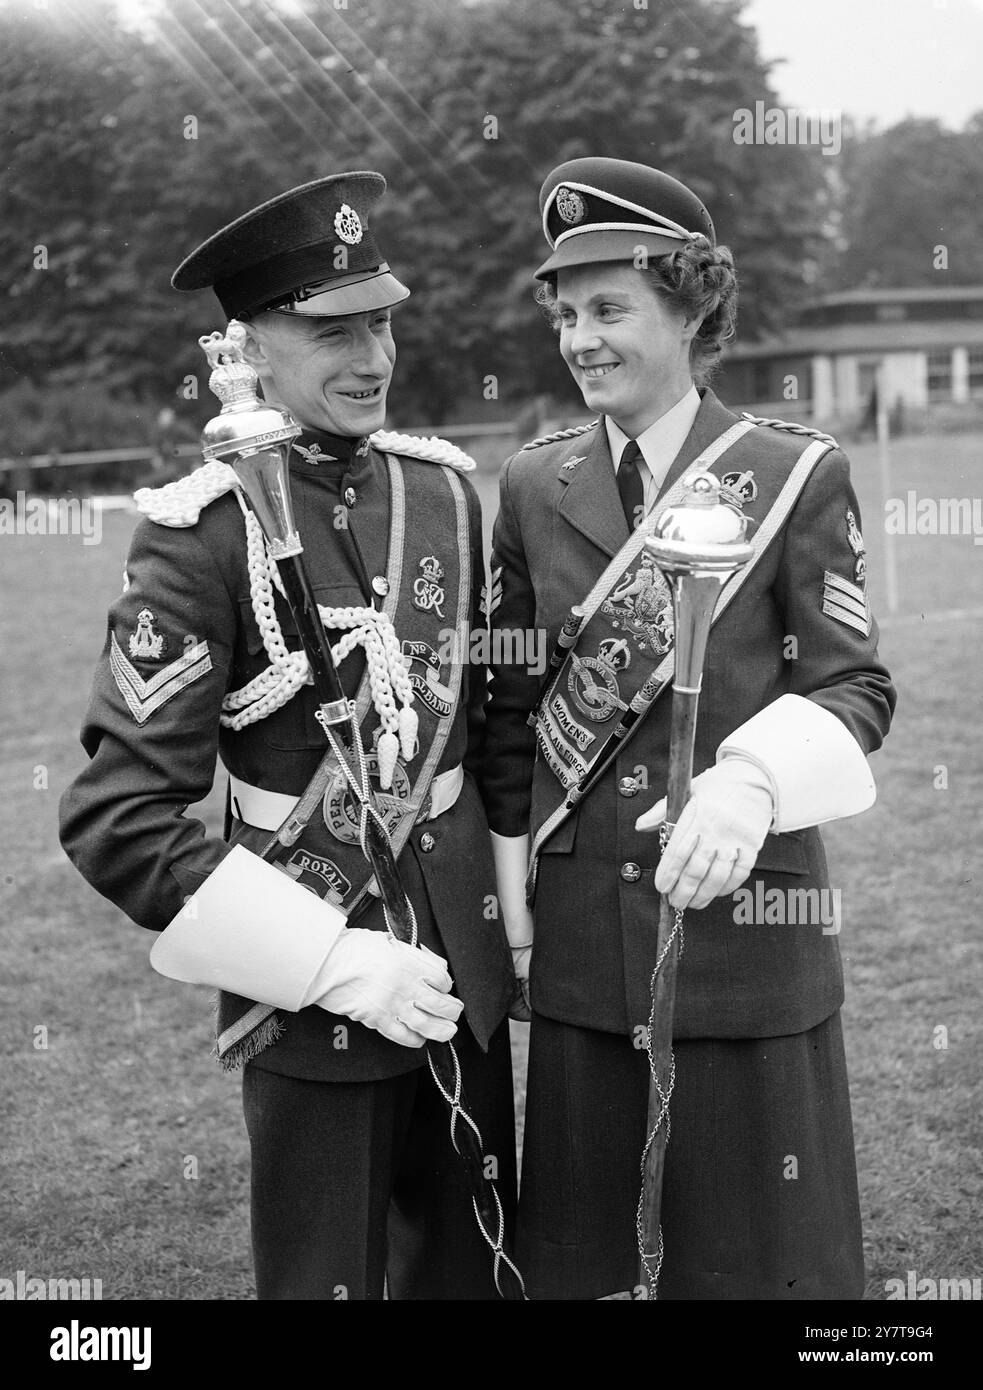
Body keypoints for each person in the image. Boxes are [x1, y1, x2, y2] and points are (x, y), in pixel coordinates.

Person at [59, 172, 517, 1301]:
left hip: (466, 970)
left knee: (477, 1272)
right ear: (245, 346)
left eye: (380, 322)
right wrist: (329, 961)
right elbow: (117, 819)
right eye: (329, 331)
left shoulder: (448, 494)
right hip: (313, 990)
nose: (370, 358)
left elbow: (497, 727)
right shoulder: (197, 537)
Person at [483, 156, 896, 1300]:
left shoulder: (791, 473)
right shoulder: (527, 483)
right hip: (576, 951)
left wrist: (753, 775)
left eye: (609, 309)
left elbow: (855, 686)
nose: (580, 340)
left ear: (691, 307)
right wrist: (513, 906)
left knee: (763, 1264)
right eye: (566, 315)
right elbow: (510, 714)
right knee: (591, 1261)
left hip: (740, 927)